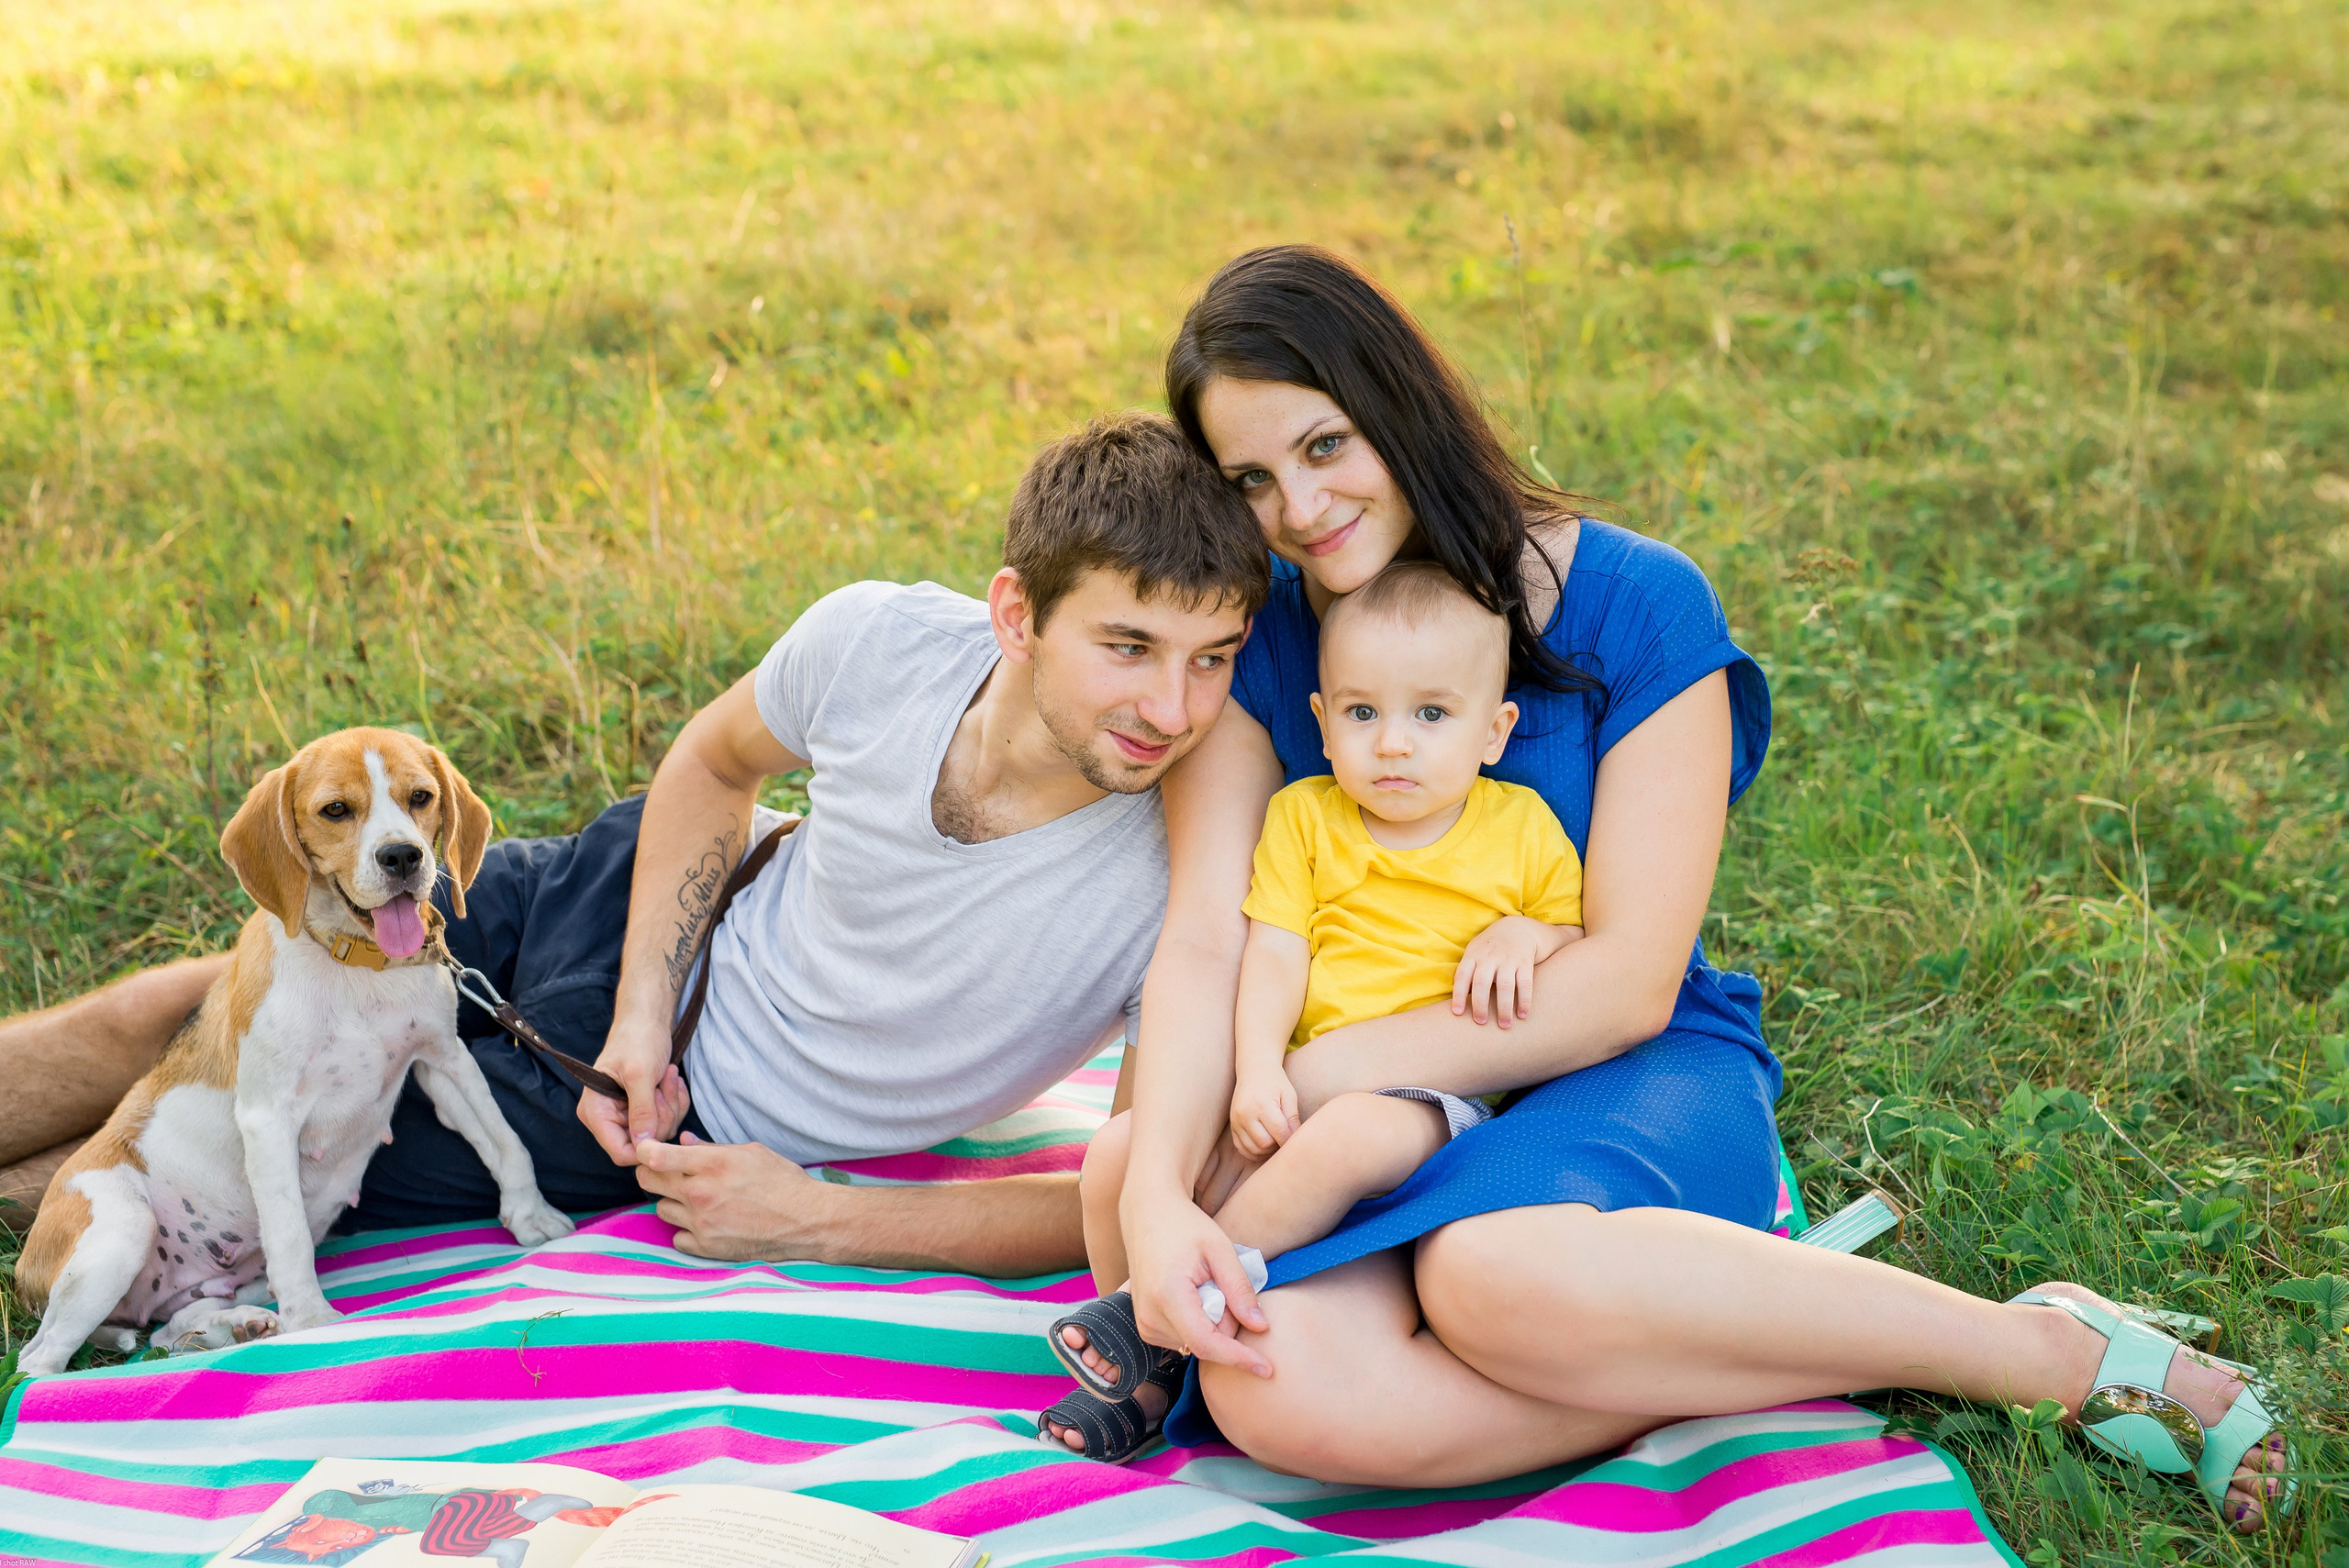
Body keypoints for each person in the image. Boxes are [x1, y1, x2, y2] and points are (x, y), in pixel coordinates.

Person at [1050, 246, 2293, 1533]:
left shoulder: (1637, 601)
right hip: (1358, 1122)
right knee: (1278, 1394)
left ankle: (2037, 1354)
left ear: (1397, 403)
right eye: (1251, 479)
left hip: (1608, 1062)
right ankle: (1753, 1342)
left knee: (1490, 1274)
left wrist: (1314, 1082)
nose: (1298, 510)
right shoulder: (1264, 641)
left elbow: (1627, 980)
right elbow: (1205, 941)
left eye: (1324, 446)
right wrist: (1151, 1189)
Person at [0, 411, 1269, 1282]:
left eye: (1213, 661)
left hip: (661, 1112)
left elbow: (1123, 1198)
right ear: (1017, 615)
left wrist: (826, 1218)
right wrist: (644, 1009)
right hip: (628, 900)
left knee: (204, 1166)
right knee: (193, 1005)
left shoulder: (1200, 868)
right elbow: (717, 764)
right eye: (1129, 648)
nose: (1173, 709)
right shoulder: (883, 638)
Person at [1039, 563, 1584, 1458]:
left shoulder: (1518, 827)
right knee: (1116, 1152)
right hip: (1296, 1075)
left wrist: (1529, 935)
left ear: (1494, 732)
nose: (1395, 744)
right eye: (1363, 714)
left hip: (1433, 1098)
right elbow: (1274, 951)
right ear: (1324, 722)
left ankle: (1158, 1310)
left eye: (1431, 715)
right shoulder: (1304, 818)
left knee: (1349, 1139)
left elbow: (1571, 935)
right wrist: (1255, 1068)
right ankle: (1149, 1385)